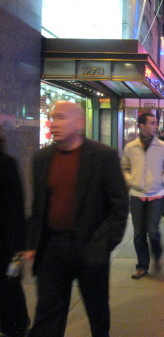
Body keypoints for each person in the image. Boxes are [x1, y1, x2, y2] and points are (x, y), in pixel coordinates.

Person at [24, 101, 129, 337]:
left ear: (79, 123)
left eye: (60, 117)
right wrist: (32, 244)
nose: (53, 123)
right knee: (48, 312)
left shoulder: (103, 156)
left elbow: (119, 205)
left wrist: (104, 244)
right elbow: (38, 205)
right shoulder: (41, 158)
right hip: (51, 248)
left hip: (90, 246)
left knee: (96, 309)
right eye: (52, 117)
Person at [121, 113, 164, 279]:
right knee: (139, 233)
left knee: (153, 230)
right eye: (151, 123)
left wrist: (161, 180)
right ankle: (142, 265)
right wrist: (132, 181)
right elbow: (125, 168)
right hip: (137, 195)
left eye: (155, 123)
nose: (155, 126)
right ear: (141, 125)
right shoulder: (131, 147)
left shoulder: (163, 146)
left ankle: (157, 256)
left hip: (157, 195)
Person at [0, 129, 29, 337]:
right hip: (11, 239)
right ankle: (17, 321)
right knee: (9, 283)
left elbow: (17, 206)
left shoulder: (7, 163)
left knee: (10, 281)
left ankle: (13, 324)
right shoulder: (8, 163)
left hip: (10, 241)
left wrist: (20, 245)